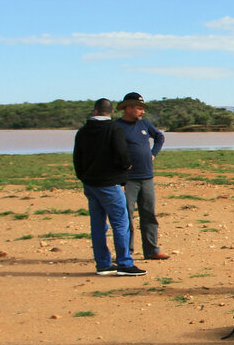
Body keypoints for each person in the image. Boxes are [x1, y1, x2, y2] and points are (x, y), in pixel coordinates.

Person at [72, 98, 145, 276]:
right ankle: (125, 263)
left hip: (90, 183)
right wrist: (125, 168)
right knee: (121, 222)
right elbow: (122, 155)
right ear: (111, 112)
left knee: (97, 225)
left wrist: (83, 176)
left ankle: (103, 264)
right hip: (109, 183)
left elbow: (77, 158)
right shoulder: (114, 129)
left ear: (95, 111)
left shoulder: (83, 131)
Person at [115, 92, 169, 261]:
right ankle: (126, 253)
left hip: (147, 177)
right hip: (127, 179)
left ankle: (152, 250)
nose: (142, 112)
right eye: (139, 108)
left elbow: (160, 137)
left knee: (149, 215)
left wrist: (153, 154)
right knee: (126, 217)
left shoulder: (144, 124)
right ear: (128, 108)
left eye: (142, 108)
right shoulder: (116, 127)